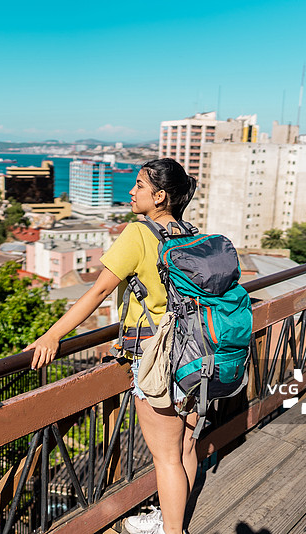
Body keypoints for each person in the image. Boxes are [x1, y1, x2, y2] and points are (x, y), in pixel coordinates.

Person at [25, 158, 198, 534]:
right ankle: (173, 518)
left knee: (166, 457)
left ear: (160, 195)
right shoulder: (189, 232)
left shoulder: (139, 233)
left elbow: (100, 289)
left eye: (138, 185)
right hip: (195, 350)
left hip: (156, 356)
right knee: (185, 446)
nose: (131, 192)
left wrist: (53, 334)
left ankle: (172, 531)